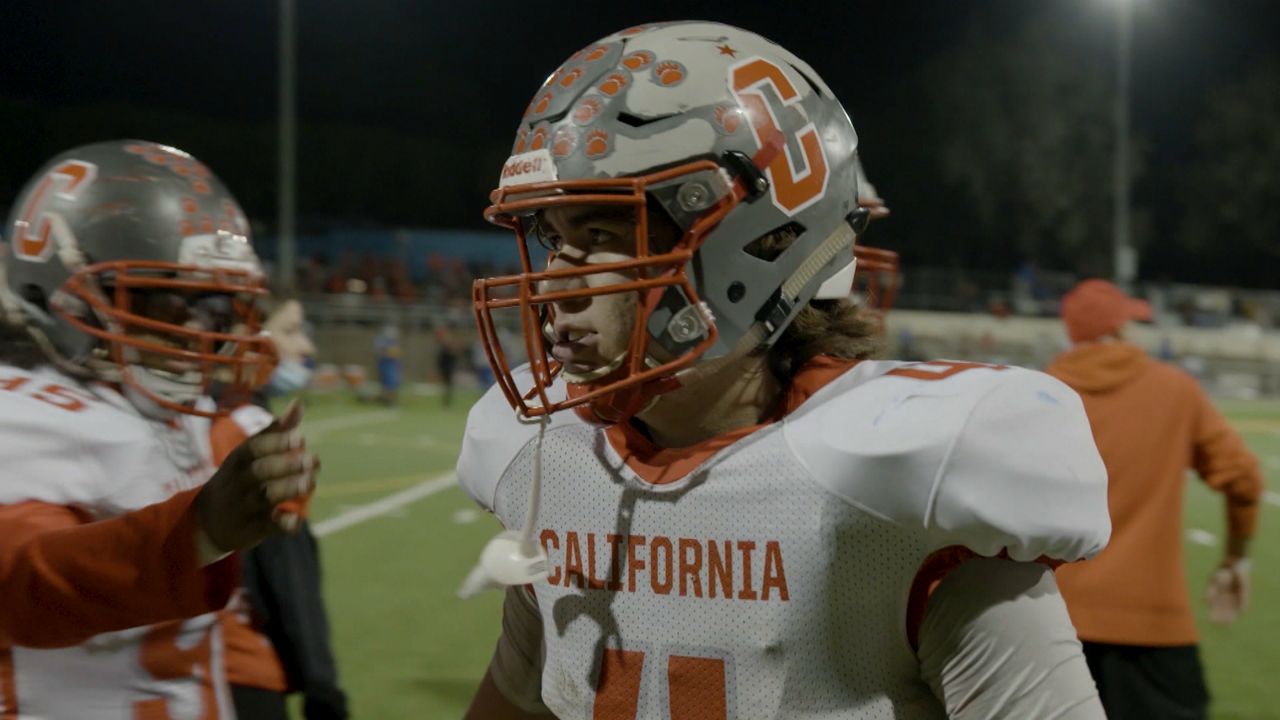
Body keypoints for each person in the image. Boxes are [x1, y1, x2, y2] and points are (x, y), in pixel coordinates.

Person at [457, 22, 1111, 719]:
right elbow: (522, 693)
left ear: (758, 240)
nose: (558, 283)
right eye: (553, 240)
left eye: (602, 235)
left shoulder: (897, 497)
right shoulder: (552, 461)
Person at [0, 140, 318, 717]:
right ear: (58, 290)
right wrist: (196, 531)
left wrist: (268, 478)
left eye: (217, 311)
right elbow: (22, 586)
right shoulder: (20, 413)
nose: (199, 334)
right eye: (172, 304)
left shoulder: (176, 414)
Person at [1048, 279, 1263, 720]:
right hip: (1152, 624)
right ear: (1123, 328)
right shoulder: (1174, 389)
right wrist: (1234, 560)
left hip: (1046, 624)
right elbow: (1243, 478)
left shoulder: (1039, 391)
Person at [216, 295, 349, 720]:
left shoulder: (187, 417)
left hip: (182, 665)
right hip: (242, 664)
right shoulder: (252, 431)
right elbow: (288, 575)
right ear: (244, 335)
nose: (305, 347)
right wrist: (322, 684)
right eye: (290, 330)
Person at [374, 323, 402, 406]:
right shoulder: (381, 341)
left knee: (394, 384)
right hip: (386, 365)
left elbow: (396, 354)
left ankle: (391, 401)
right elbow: (386, 353)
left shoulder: (393, 343)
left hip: (393, 365)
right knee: (388, 384)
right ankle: (387, 401)